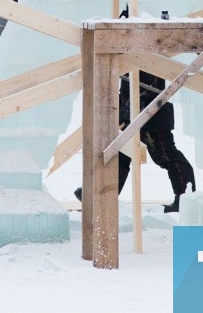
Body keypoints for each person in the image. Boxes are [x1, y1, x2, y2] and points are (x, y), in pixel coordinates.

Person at [75, 70, 196, 213]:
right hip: (131, 111)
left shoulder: (148, 55)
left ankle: (185, 200)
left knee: (166, 155)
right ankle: (101, 196)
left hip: (152, 113)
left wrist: (139, 104)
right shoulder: (128, 53)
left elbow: (154, 83)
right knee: (120, 156)